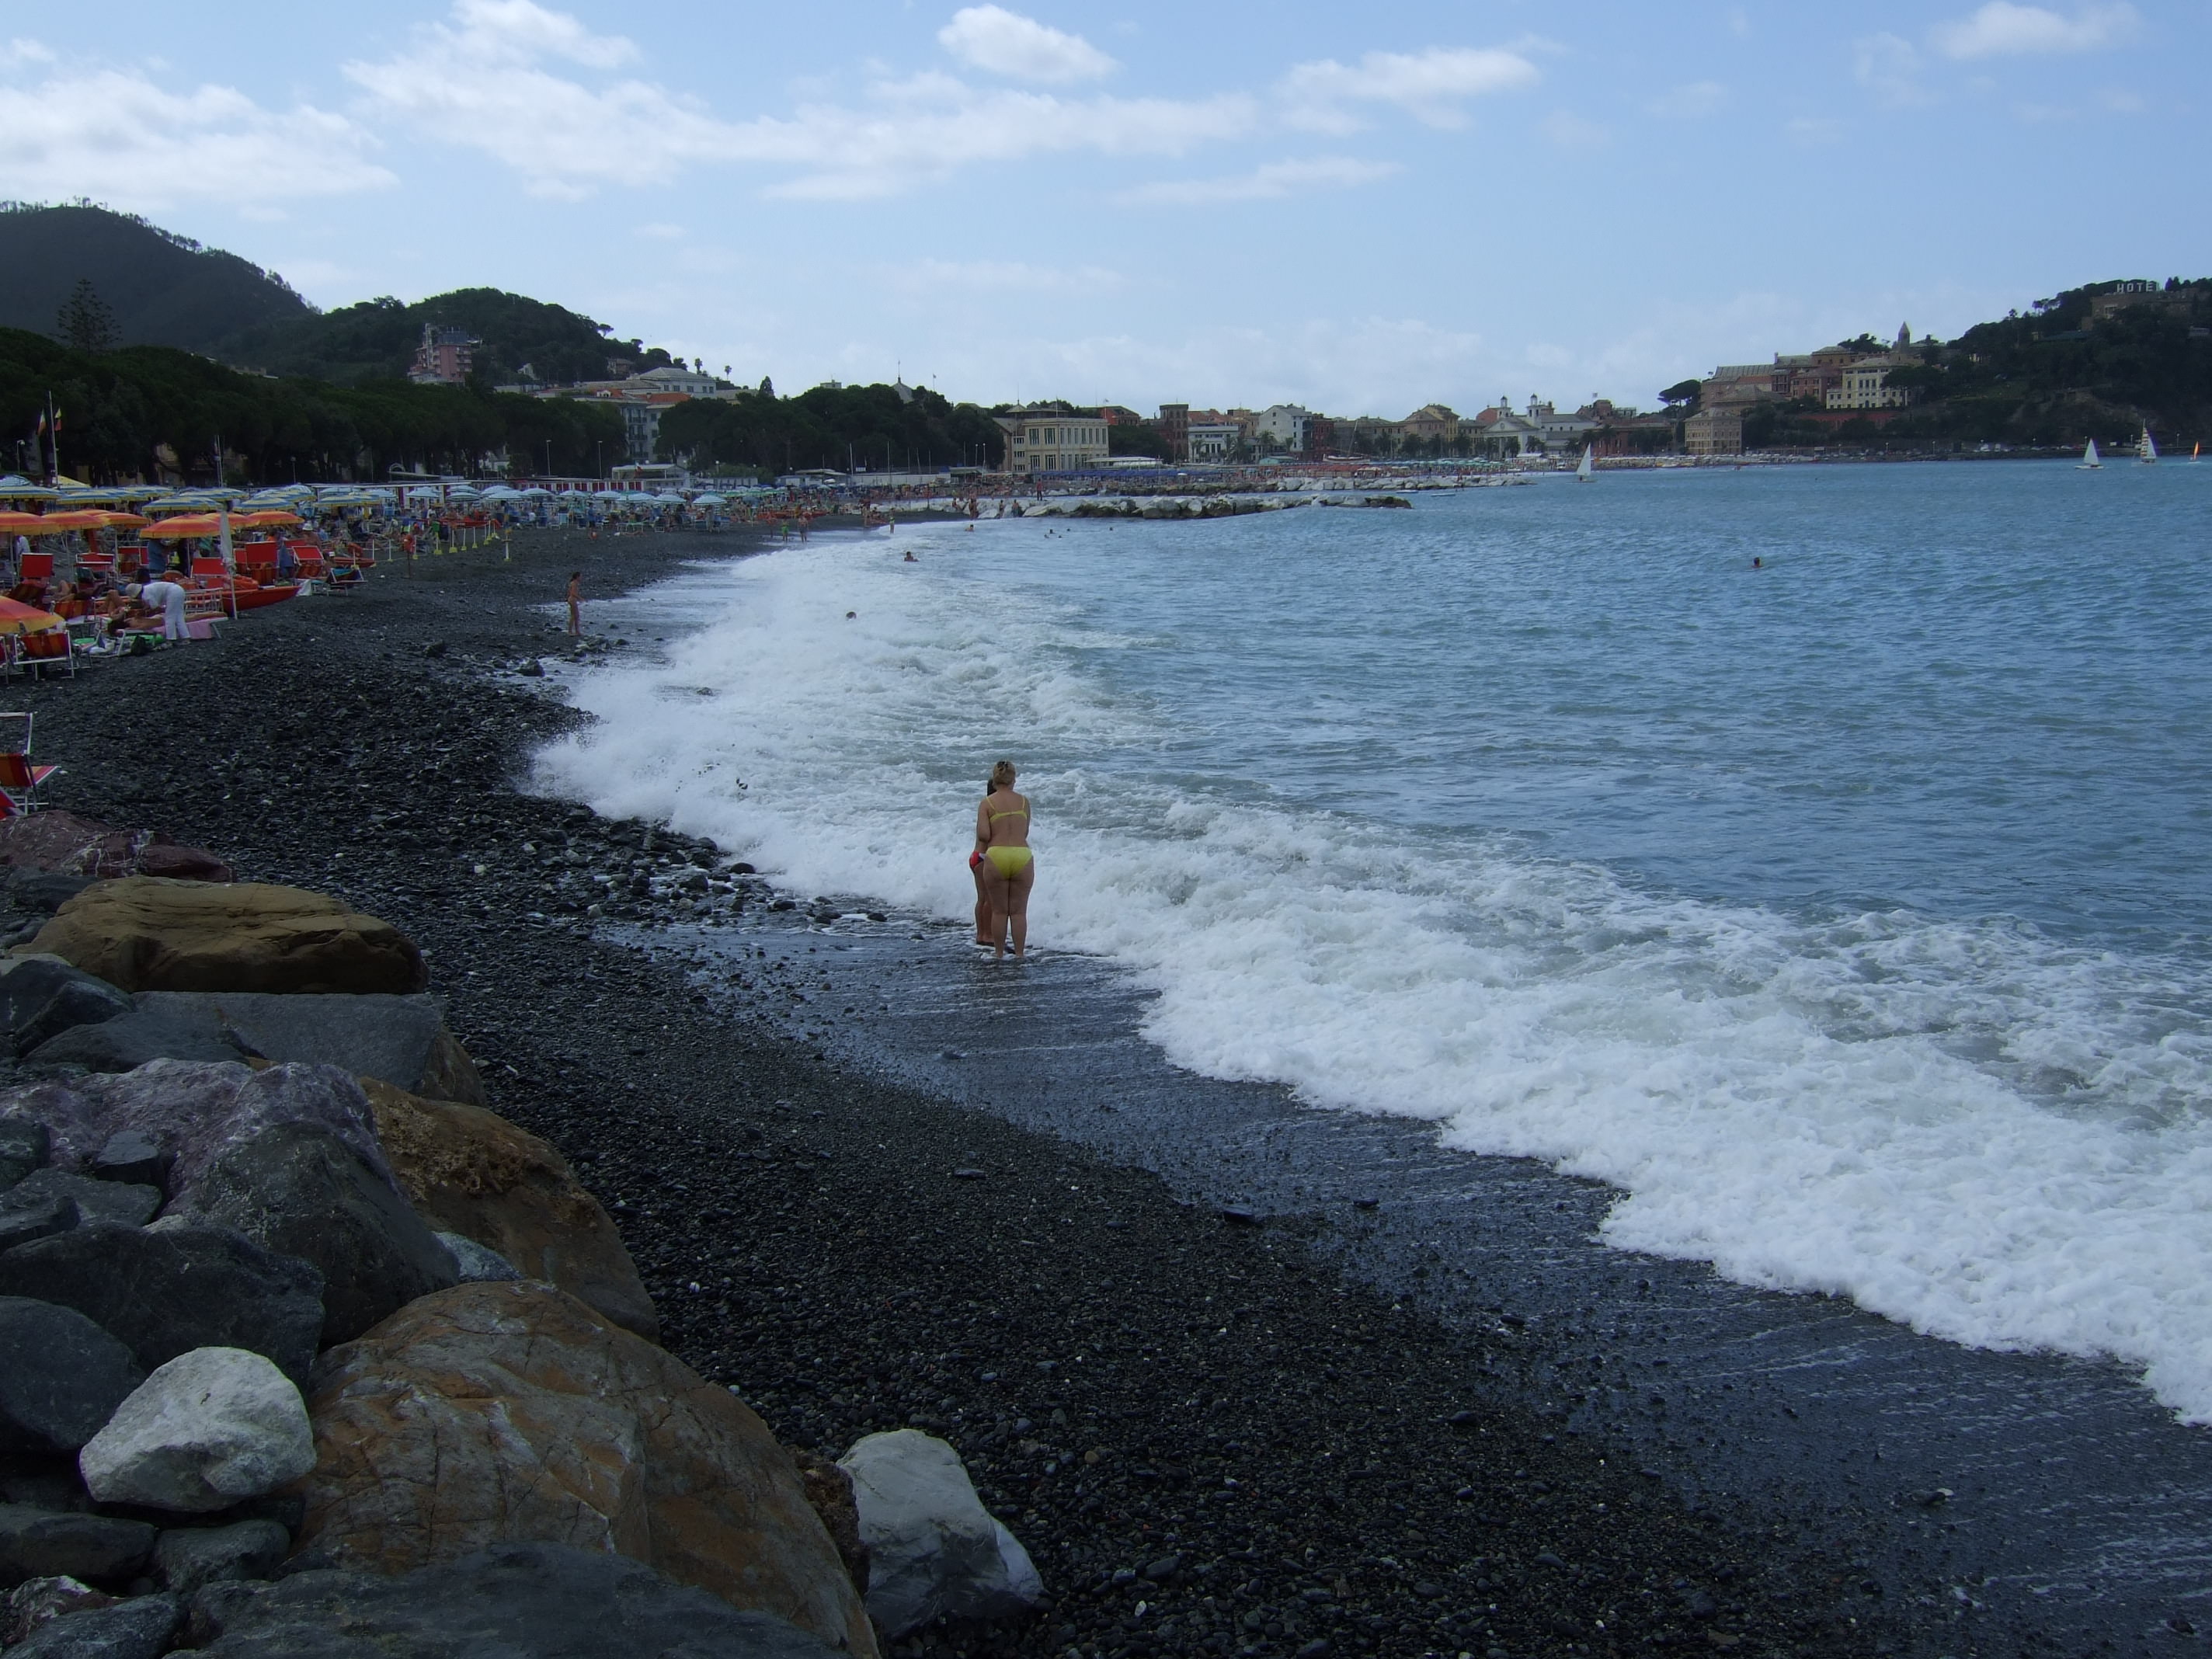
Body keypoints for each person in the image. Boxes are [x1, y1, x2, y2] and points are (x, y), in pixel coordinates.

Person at [973, 759, 1034, 961]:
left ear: (995, 779)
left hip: (997, 854)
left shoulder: (987, 803)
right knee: (1019, 912)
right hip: (1022, 855)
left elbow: (984, 835)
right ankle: (1020, 954)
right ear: (1013, 779)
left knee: (999, 912)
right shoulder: (1024, 802)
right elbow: (1025, 832)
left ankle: (999, 954)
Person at [131, 578, 189, 642]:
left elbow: (156, 608)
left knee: (169, 618)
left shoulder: (146, 595)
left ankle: (170, 639)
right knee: (179, 617)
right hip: (179, 590)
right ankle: (186, 638)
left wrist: (165, 610)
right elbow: (151, 606)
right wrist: (144, 610)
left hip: (173, 593)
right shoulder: (147, 589)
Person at [567, 572, 583, 637]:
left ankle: (577, 631)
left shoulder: (573, 583)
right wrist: (580, 598)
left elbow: (569, 592)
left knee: (576, 616)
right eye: (580, 577)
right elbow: (573, 593)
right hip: (572, 600)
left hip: (571, 599)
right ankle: (570, 631)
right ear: (577, 577)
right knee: (574, 616)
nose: (581, 578)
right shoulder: (574, 583)